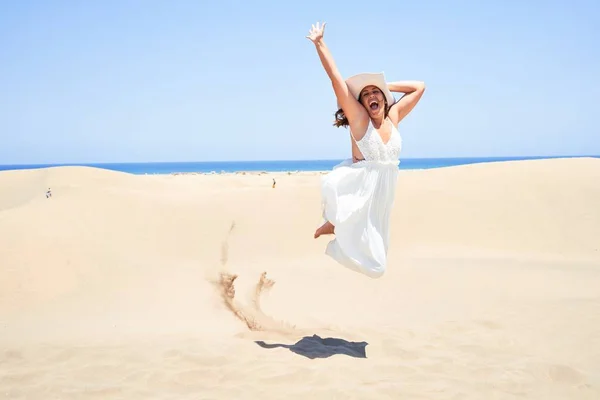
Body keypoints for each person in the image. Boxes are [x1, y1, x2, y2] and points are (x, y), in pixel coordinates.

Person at [306, 21, 426, 278]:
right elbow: (336, 79)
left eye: (376, 92)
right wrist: (320, 43)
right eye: (366, 94)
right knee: (374, 263)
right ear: (360, 103)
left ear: (383, 98)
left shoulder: (393, 118)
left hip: (384, 191)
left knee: (378, 254)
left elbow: (419, 87)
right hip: (360, 185)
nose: (372, 96)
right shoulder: (361, 121)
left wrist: (384, 84)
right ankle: (335, 223)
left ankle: (336, 223)